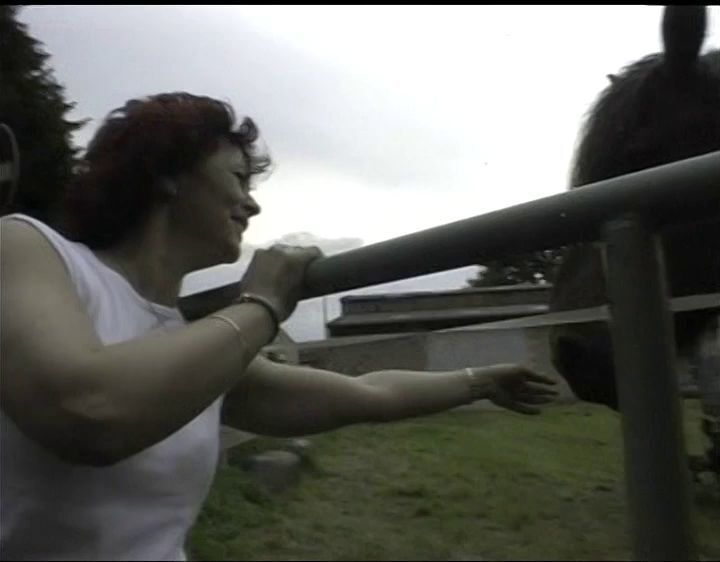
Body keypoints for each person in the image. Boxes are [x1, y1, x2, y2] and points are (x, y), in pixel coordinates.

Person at [0, 92, 557, 561]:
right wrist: (263, 304)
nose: (252, 206)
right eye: (238, 178)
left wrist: (478, 382)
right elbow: (86, 412)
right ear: (167, 174)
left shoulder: (194, 348)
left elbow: (370, 393)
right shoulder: (27, 247)